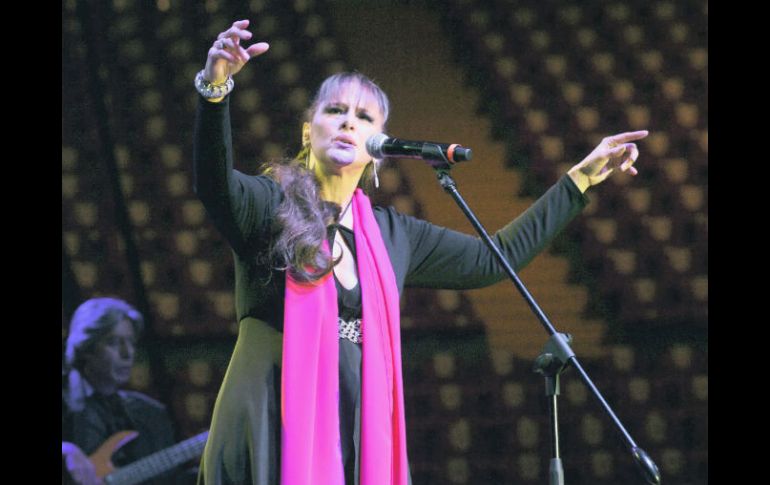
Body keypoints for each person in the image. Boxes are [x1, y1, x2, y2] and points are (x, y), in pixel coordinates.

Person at [192, 19, 647, 485]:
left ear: (378, 149)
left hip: (351, 418)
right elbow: (212, 183)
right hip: (270, 409)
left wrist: (580, 180)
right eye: (336, 110)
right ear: (309, 132)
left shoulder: (392, 235)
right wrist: (215, 89)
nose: (350, 121)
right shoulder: (269, 204)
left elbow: (492, 259)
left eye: (365, 117)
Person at [62, 297, 196, 485]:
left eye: (131, 342)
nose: (128, 353)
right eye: (114, 342)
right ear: (86, 347)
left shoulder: (150, 413)